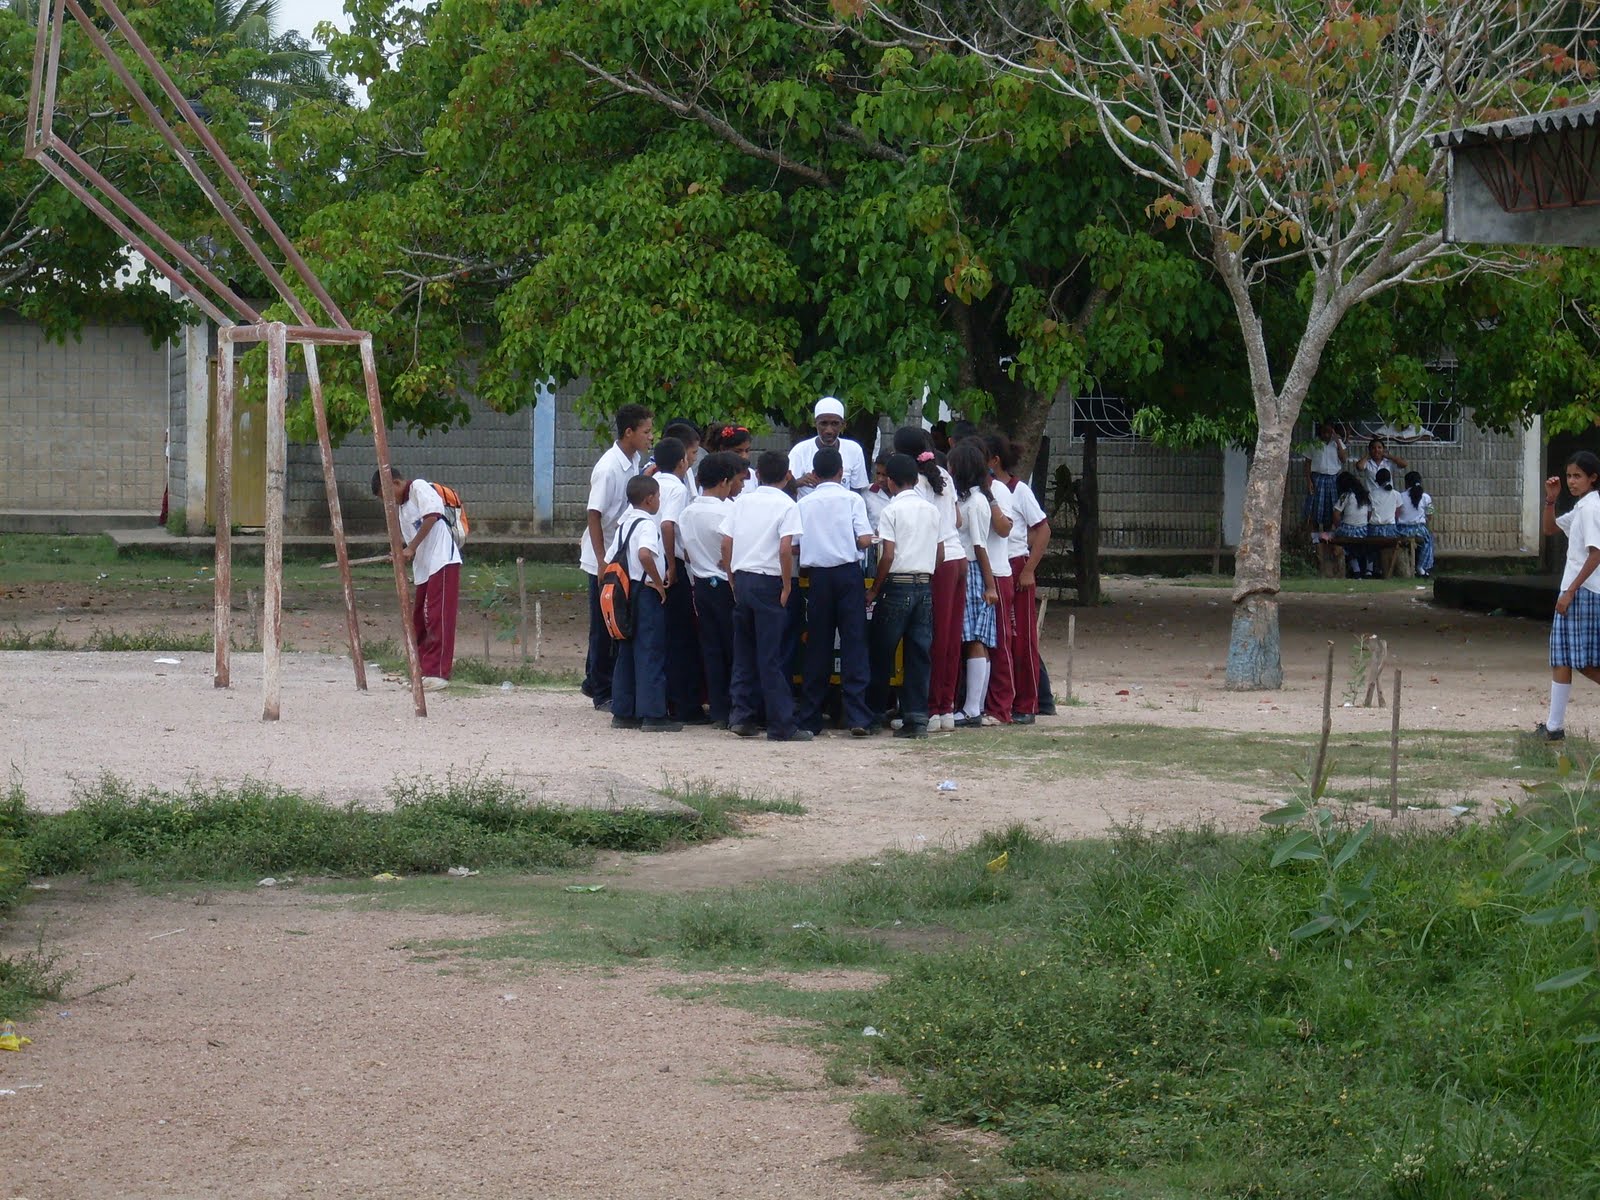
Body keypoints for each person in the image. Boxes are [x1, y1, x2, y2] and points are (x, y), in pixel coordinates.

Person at [720, 450, 813, 742]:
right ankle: (781, 724)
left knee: (744, 652)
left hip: (743, 577)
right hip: (770, 580)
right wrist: (787, 585)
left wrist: (733, 577)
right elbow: (786, 549)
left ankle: (742, 716)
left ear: (757, 475)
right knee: (771, 656)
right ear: (788, 476)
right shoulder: (788, 505)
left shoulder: (742, 501)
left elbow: (726, 541)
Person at [796, 447, 876, 736]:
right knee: (854, 642)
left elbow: (795, 543)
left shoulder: (805, 504)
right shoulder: (852, 498)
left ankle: (810, 717)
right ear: (842, 472)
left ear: (814, 475)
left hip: (818, 578)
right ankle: (857, 716)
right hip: (847, 575)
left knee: (818, 644)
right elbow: (865, 540)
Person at [580, 404, 653, 710]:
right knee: (604, 624)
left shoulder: (634, 460)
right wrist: (601, 561)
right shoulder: (608, 467)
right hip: (605, 553)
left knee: (617, 619)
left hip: (620, 552)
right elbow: (594, 515)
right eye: (646, 432)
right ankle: (601, 691)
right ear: (629, 433)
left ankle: (592, 680)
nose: (651, 437)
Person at [893, 426, 965, 731]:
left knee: (931, 637)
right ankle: (945, 707)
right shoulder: (943, 476)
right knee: (950, 637)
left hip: (938, 561)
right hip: (958, 556)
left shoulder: (916, 484)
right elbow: (958, 519)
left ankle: (930, 708)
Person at [867, 453, 943, 738]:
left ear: (890, 481)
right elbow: (940, 553)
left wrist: (875, 589)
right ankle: (916, 717)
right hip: (924, 583)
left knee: (882, 652)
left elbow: (887, 555)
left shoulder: (891, 511)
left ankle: (873, 714)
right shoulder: (931, 510)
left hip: (896, 585)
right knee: (918, 653)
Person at [372, 467, 462, 692]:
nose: (388, 501)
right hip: (423, 568)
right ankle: (422, 668)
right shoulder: (402, 510)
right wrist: (402, 552)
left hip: (441, 560)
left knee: (438, 616)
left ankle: (438, 672)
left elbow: (433, 516)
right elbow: (410, 541)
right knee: (420, 618)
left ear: (395, 483)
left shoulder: (419, 488)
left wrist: (410, 548)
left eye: (387, 494)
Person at [608, 475, 681, 733]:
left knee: (626, 650)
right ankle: (653, 714)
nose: (660, 501)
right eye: (659, 496)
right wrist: (658, 581)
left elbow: (610, 558)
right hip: (645, 590)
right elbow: (643, 553)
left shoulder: (624, 524)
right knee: (650, 650)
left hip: (625, 591)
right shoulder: (648, 524)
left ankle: (624, 711)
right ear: (650, 499)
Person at [680, 452, 746, 729]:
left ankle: (718, 709)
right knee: (736, 648)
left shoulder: (687, 513)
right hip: (727, 586)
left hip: (702, 586)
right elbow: (738, 546)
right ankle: (737, 708)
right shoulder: (729, 511)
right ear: (724, 481)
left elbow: (684, 551)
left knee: (712, 648)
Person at [1538, 451, 1600, 742]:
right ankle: (1554, 727)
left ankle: (1554, 726)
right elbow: (1550, 529)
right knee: (1561, 657)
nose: (1572, 481)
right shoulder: (1581, 506)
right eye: (1569, 476)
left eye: (1578, 476)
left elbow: (1596, 553)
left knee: (1585, 661)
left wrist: (1571, 590)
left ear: (1592, 478)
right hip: (1572, 589)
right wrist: (1551, 499)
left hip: (1583, 592)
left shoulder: (1591, 508)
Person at [993, 436, 1050, 724]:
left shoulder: (1019, 490)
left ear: (994, 461)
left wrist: (1029, 569)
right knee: (1002, 636)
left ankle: (1027, 702)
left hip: (1016, 565)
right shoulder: (985, 491)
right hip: (997, 565)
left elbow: (1042, 530)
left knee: (1022, 636)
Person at [949, 440, 1005, 727]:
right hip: (965, 569)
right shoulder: (962, 499)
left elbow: (980, 544)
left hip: (973, 570)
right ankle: (972, 706)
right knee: (970, 637)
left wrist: (989, 585)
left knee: (975, 638)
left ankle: (973, 708)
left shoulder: (977, 502)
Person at [651, 436, 705, 723]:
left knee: (662, 634)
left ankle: (664, 700)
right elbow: (668, 524)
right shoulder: (676, 487)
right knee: (681, 636)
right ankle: (684, 705)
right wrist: (673, 564)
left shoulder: (651, 484)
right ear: (682, 461)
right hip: (671, 565)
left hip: (648, 565)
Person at [980, 435, 1019, 724]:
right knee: (976, 640)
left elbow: (1003, 529)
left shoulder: (999, 492)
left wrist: (989, 496)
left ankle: (1001, 706)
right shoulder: (965, 492)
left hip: (997, 571)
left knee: (1000, 641)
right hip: (974, 571)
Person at [789, 397, 869, 499]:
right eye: (824, 423)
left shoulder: (854, 450)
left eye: (835, 424)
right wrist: (798, 482)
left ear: (843, 425)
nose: (829, 430)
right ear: (814, 423)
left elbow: (857, 492)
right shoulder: (799, 451)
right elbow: (783, 487)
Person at [1303, 421, 1347, 532]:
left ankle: (1327, 537)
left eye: (1329, 432)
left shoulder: (1338, 443)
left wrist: (1337, 440)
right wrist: (1309, 481)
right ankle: (1315, 539)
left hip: (1333, 479)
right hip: (1317, 478)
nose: (1326, 435)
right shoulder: (1313, 443)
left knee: (1330, 509)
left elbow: (1343, 459)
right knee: (1315, 510)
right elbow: (1307, 463)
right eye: (1324, 432)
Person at [1334, 470, 1373, 579]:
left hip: (1347, 530)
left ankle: (1356, 571)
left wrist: (1338, 527)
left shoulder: (1345, 495)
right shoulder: (1366, 496)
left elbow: (1336, 514)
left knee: (1347, 546)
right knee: (1367, 547)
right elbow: (1370, 515)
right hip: (1363, 530)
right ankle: (1369, 571)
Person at [1396, 470, 1435, 578]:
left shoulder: (1400, 496)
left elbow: (1396, 514)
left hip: (1401, 530)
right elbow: (1430, 515)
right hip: (1419, 530)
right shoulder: (1426, 497)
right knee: (1429, 540)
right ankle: (1422, 567)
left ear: (1406, 483)